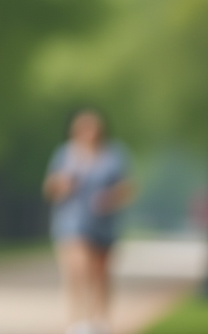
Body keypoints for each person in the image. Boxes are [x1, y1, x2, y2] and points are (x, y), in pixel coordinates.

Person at [43, 109, 133, 334]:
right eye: (84, 128)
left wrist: (109, 198)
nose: (89, 132)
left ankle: (100, 319)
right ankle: (76, 321)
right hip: (71, 222)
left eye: (93, 128)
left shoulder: (114, 154)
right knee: (77, 270)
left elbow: (127, 187)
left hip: (103, 222)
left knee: (100, 273)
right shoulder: (65, 154)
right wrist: (61, 185)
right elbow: (49, 187)